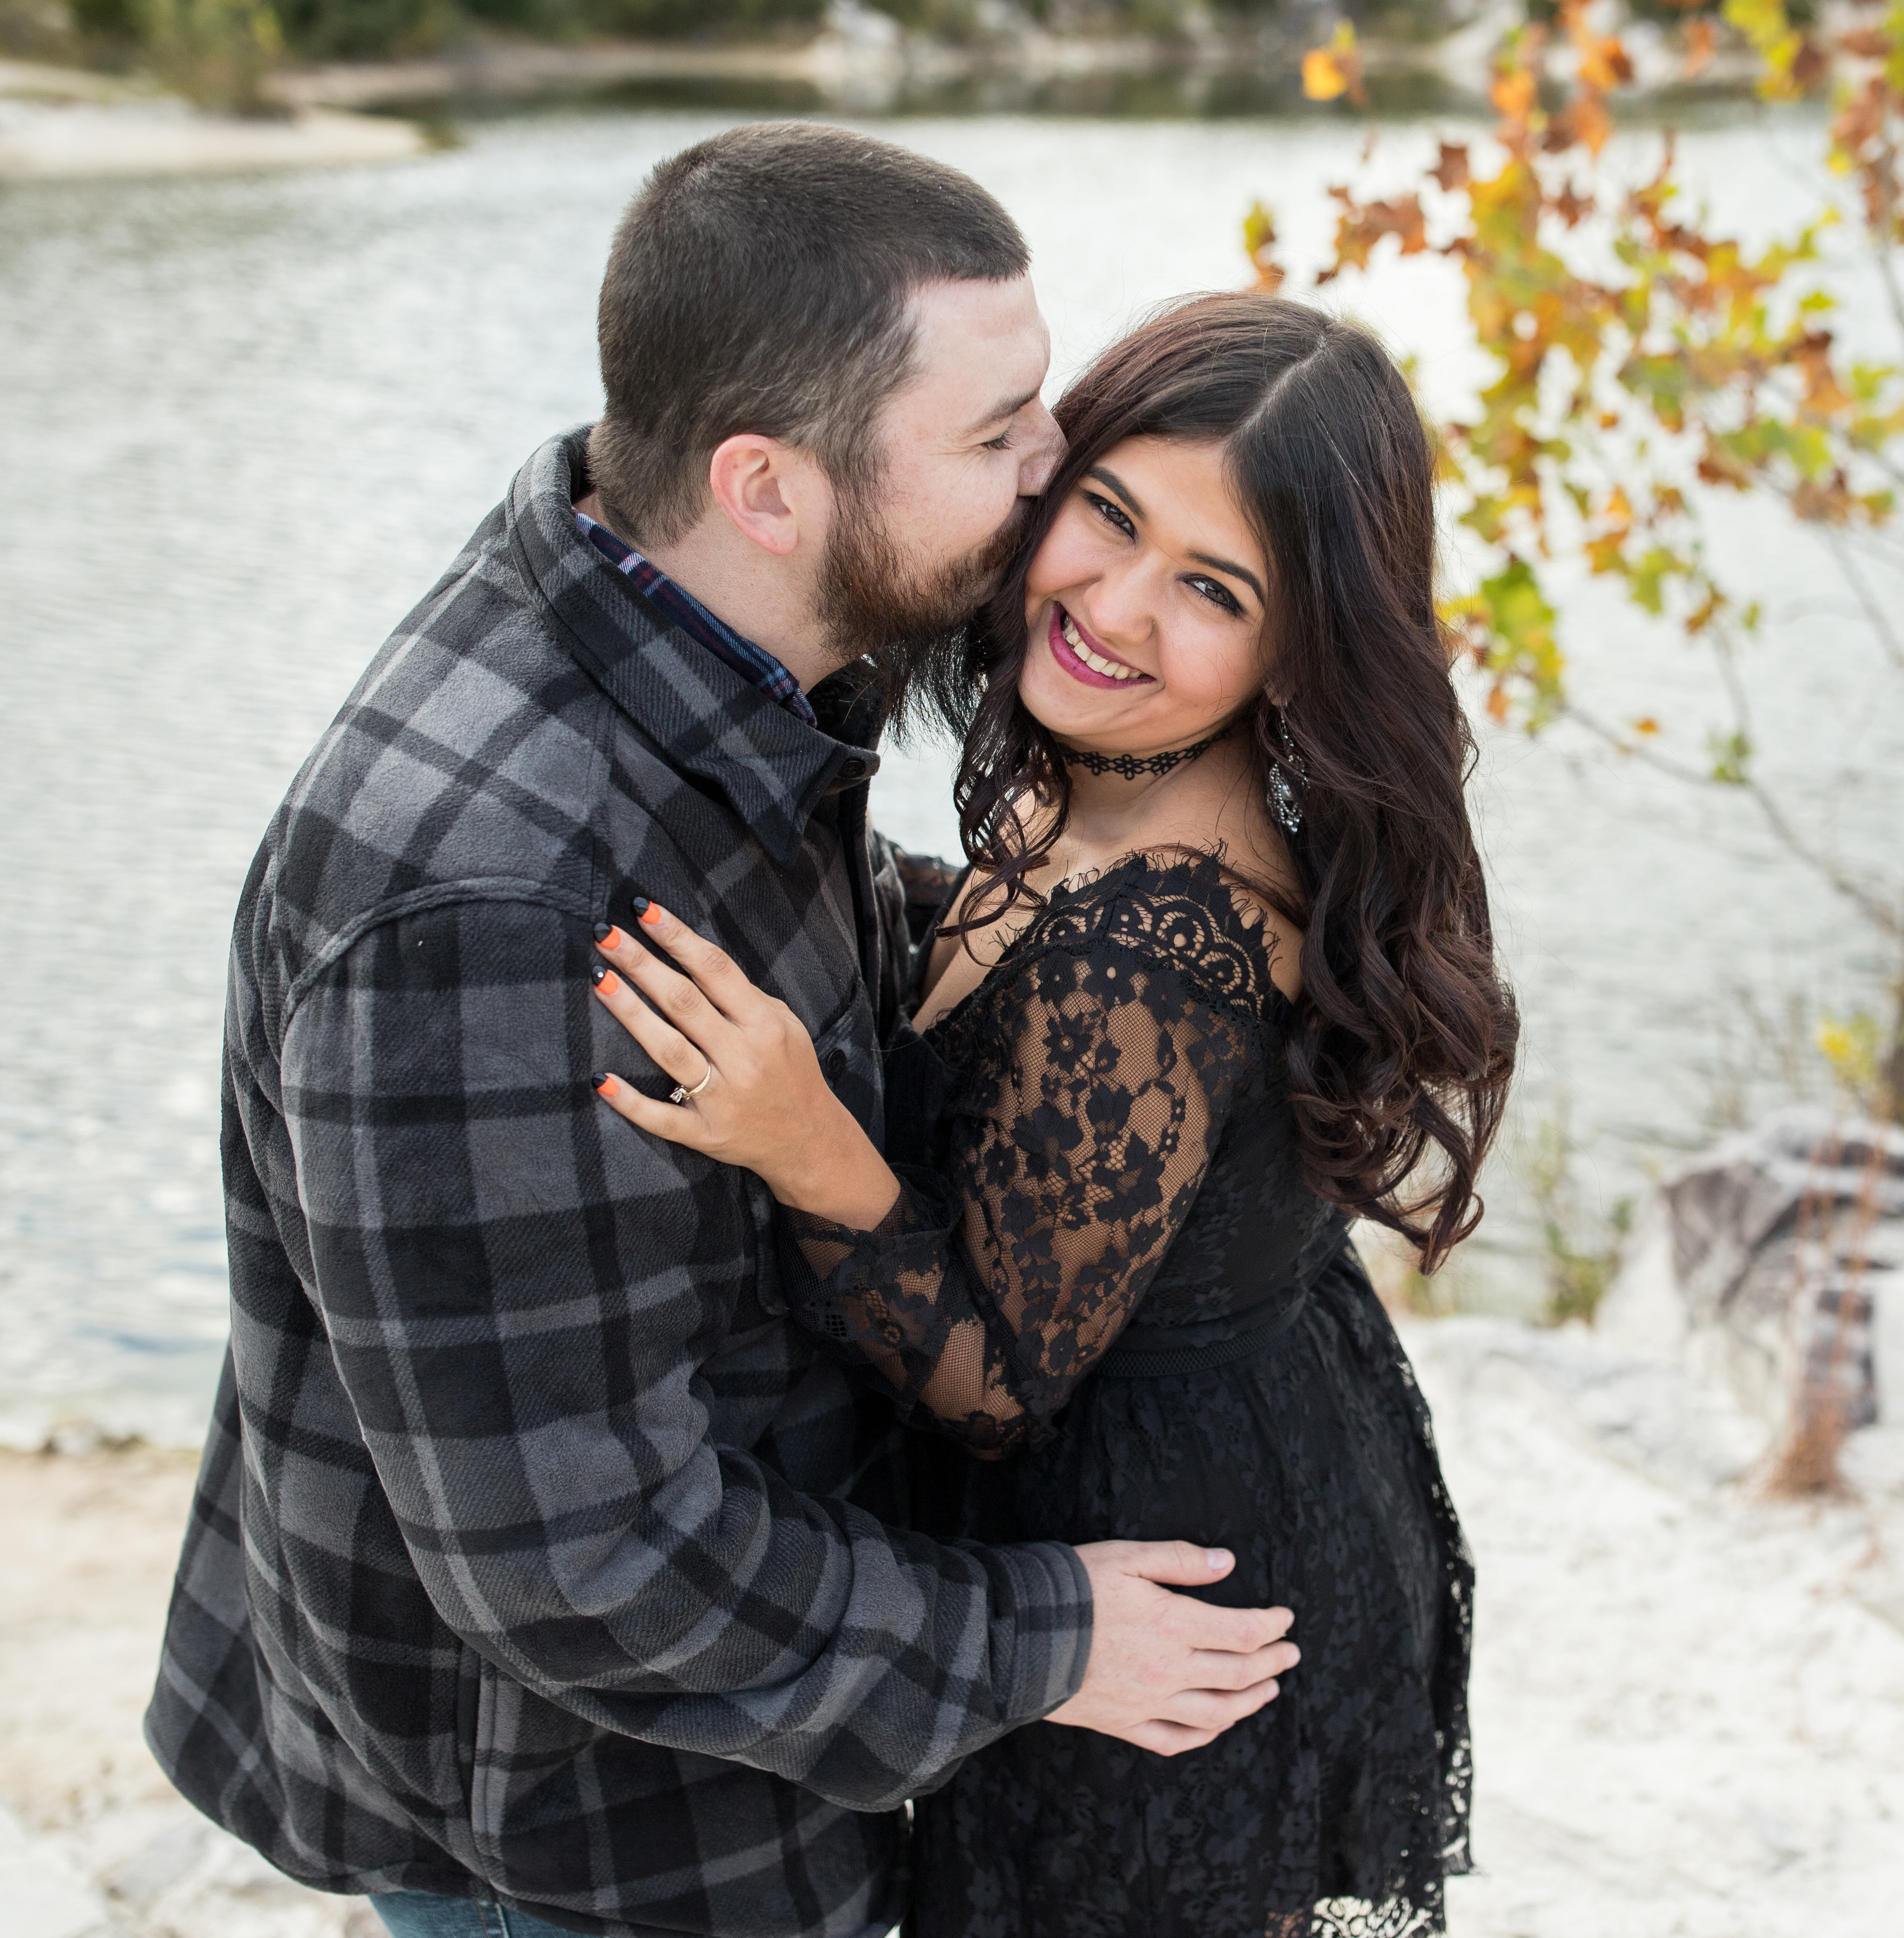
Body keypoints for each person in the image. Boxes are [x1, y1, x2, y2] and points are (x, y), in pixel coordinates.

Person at [145, 126, 1303, 1938]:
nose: (1051, 478)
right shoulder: (491, 910)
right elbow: (581, 1560)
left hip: (734, 1740)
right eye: (999, 436)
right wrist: (1041, 1636)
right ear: (769, 482)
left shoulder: (709, 630)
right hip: (586, 1828)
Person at [586, 291, 1519, 1937]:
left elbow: (994, 1390)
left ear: (1296, 653)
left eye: (1213, 591)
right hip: (1235, 1438)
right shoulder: (1100, 786)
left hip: (1171, 1576)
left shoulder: (1156, 946)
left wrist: (805, 1141)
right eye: (1109, 516)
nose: (1118, 606)